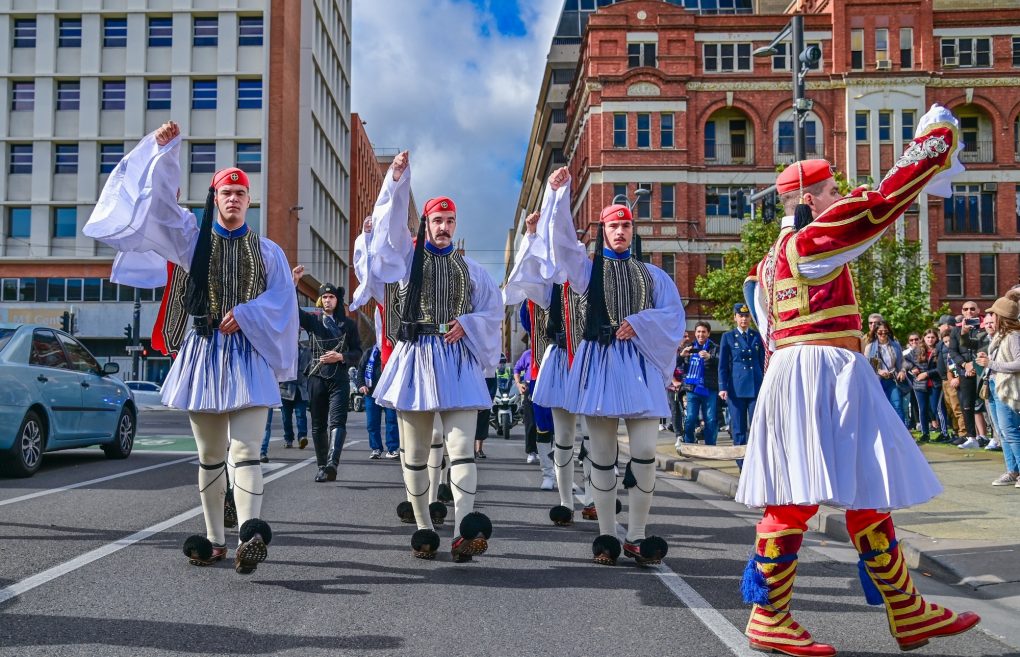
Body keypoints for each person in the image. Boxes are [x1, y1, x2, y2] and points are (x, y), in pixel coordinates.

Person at [737, 105, 978, 655]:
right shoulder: (807, 241)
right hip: (819, 371)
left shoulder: (775, 256)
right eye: (828, 191)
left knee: (865, 488)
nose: (836, 198)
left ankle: (906, 610)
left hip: (811, 371)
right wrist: (932, 142)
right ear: (806, 199)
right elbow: (879, 206)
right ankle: (768, 613)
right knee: (798, 498)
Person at [84, 121, 296, 575]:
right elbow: (159, 206)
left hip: (249, 358)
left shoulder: (269, 251)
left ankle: (251, 533)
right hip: (203, 354)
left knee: (247, 451)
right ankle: (216, 540)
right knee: (210, 456)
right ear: (215, 199)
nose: (234, 200)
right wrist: (164, 152)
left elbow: (282, 301)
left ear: (249, 201)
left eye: (241, 194)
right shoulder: (191, 237)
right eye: (226, 193)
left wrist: (249, 314)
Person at [358, 151, 502, 562]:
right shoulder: (405, 259)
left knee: (460, 449)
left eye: (450, 222)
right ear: (426, 224)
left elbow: (492, 311)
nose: (443, 228)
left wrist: (469, 324)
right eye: (437, 221)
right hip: (415, 358)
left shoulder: (473, 271)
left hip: (456, 361)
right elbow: (386, 228)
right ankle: (423, 527)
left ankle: (463, 529)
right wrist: (397, 179)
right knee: (417, 453)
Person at [542, 165, 685, 566]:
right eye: (613, 226)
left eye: (625, 225)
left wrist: (639, 323)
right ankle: (607, 536)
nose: (620, 232)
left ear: (632, 230)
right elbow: (562, 242)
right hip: (599, 364)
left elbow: (674, 318)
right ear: (603, 231)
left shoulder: (654, 275)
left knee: (643, 451)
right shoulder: (585, 271)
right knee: (602, 455)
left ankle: (637, 535)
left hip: (637, 366)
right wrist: (558, 195)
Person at [504, 206, 593, 525]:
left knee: (594, 435)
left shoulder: (590, 271)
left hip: (589, 362)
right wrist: (530, 236)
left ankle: (595, 496)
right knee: (556, 432)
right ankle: (564, 497)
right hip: (550, 365)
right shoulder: (546, 284)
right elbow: (527, 278)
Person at [291, 272, 363, 482]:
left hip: (339, 378)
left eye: (331, 297)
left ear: (337, 300)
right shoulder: (313, 321)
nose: (327, 300)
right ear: (319, 300)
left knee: (338, 421)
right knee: (318, 424)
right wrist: (294, 284)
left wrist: (341, 356)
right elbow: (293, 310)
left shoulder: (348, 325)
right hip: (316, 377)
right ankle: (322, 465)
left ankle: (332, 463)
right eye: (324, 297)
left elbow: (358, 353)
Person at [976, 290, 1020, 486]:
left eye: (994, 313)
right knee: (1002, 432)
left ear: (1001, 316)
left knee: (1010, 431)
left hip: (1005, 388)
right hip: (993, 385)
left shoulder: (1013, 336)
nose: (990, 316)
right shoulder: (1001, 335)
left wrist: (991, 364)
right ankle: (1012, 471)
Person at [718, 303, 764, 467]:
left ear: (750, 318)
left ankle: (757, 461)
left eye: (746, 316)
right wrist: (722, 387)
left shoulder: (757, 336)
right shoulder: (728, 337)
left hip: (756, 386)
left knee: (757, 426)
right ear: (735, 317)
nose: (744, 319)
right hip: (736, 389)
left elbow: (762, 361)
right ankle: (742, 464)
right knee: (738, 428)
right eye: (741, 316)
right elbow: (723, 365)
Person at [260, 334, 312, 460]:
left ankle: (302, 437)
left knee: (301, 414)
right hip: (285, 389)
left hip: (300, 389)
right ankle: (289, 438)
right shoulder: (281, 351)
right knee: (286, 417)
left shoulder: (306, 351)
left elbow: (310, 367)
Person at [950, 301, 989, 449]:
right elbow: (953, 351)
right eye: (966, 309)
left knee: (985, 403)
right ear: (962, 311)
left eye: (972, 309)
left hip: (981, 370)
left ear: (978, 310)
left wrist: (974, 365)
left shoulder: (985, 327)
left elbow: (984, 347)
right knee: (966, 405)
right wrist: (964, 365)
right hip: (964, 371)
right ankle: (971, 437)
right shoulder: (956, 330)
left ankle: (987, 437)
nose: (969, 311)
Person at [357, 343, 399, 459]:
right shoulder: (370, 352)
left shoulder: (394, 350)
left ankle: (393, 449)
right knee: (372, 423)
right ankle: (376, 448)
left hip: (389, 394)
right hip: (371, 393)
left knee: (392, 421)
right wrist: (361, 385)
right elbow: (360, 370)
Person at [905, 329, 946, 443]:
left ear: (936, 338)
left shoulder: (939, 350)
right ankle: (925, 433)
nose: (930, 340)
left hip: (934, 383)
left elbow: (941, 368)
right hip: (919, 384)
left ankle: (944, 432)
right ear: (924, 338)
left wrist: (927, 374)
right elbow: (905, 361)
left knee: (936, 408)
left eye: (932, 337)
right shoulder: (917, 350)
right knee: (922, 409)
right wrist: (912, 367)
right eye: (928, 337)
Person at [682, 322, 719, 446]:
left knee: (710, 419)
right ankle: (688, 444)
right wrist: (681, 357)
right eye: (698, 331)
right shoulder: (689, 347)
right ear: (695, 333)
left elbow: (722, 364)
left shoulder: (715, 348)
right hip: (692, 389)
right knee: (690, 418)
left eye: (703, 332)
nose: (701, 334)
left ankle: (710, 446)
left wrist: (710, 357)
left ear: (708, 333)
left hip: (709, 388)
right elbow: (678, 367)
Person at [864, 321, 907, 422]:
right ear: (875, 333)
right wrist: (879, 371)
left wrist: (902, 370)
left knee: (897, 405)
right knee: (880, 408)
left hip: (892, 380)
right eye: (880, 332)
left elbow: (902, 361)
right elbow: (867, 365)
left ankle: (901, 434)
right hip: (877, 381)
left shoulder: (895, 345)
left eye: (885, 332)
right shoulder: (870, 347)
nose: (883, 334)